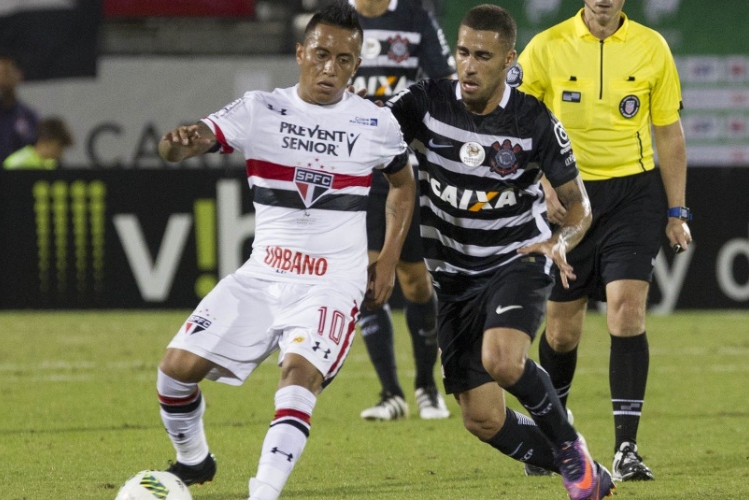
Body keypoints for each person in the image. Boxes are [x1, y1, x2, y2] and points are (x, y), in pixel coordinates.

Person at [153, 3, 415, 500]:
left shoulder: (374, 122)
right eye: (321, 54)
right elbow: (186, 144)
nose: (330, 68)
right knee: (173, 373)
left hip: (331, 285)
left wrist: (386, 259)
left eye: (343, 59)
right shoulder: (260, 110)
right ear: (300, 53)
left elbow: (403, 185)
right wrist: (179, 144)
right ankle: (194, 460)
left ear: (356, 66)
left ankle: (264, 492)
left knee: (298, 379)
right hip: (262, 275)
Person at [385, 5, 613, 499]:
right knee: (482, 418)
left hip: (516, 258)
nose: (469, 66)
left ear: (509, 61)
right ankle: (586, 469)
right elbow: (368, 133)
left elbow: (579, 208)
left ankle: (569, 449)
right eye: (463, 52)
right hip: (454, 278)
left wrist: (557, 242)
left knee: (503, 360)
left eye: (483, 57)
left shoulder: (532, 119)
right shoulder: (425, 102)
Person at [515, 0, 693, 483]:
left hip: (632, 197)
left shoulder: (652, 47)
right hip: (569, 197)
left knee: (626, 311)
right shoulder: (546, 46)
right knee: (561, 332)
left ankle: (626, 449)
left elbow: (668, 132)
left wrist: (677, 211)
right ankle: (556, 436)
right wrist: (544, 181)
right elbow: (517, 123)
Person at [351, 0, 456, 422]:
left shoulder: (415, 17)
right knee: (368, 275)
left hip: (403, 165)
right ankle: (390, 394)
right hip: (354, 167)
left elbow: (445, 83)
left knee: (414, 279)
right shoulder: (338, 17)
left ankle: (426, 386)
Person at [0, 55, 39, 172]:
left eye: (5, 73)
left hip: (16, 181)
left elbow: (36, 153)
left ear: (19, 76)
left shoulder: (29, 117)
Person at [3, 116, 73, 170]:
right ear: (45, 142)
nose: (60, 153)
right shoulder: (17, 164)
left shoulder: (54, 165)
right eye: (59, 146)